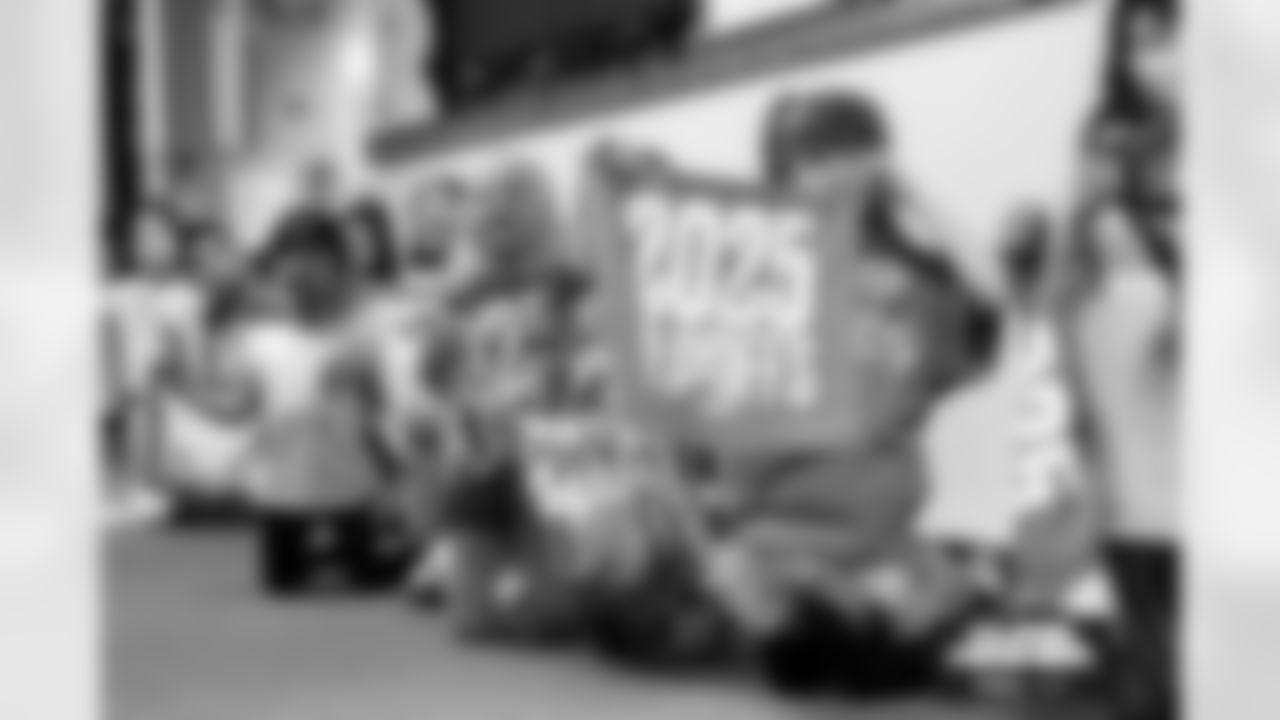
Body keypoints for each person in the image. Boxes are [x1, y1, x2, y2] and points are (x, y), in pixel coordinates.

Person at [702, 90, 1004, 697]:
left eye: (850, 153)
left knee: (874, 680)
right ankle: (839, 599)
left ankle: (936, 591)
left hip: (874, 513)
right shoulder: (754, 270)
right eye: (811, 160)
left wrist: (911, 191)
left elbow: (992, 292)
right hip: (775, 519)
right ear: (782, 172)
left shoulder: (906, 275)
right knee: (795, 670)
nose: (832, 174)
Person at [1060, 1, 1181, 718]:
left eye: (1175, 37)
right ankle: (1148, 680)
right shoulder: (1106, 133)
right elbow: (1075, 254)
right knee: (1134, 524)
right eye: (1145, 41)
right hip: (1123, 340)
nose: (1162, 57)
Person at [189, 213, 400, 595]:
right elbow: (239, 408)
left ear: (338, 269)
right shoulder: (259, 341)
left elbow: (382, 409)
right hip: (283, 491)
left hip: (349, 485)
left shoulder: (361, 335)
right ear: (277, 270)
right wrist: (185, 391)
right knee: (283, 582)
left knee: (366, 576)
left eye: (315, 262)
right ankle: (327, 550)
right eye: (290, 261)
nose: (302, 275)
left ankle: (366, 545)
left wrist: (367, 391)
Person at [102, 207, 205, 525]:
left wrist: (172, 362)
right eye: (141, 237)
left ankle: (154, 486)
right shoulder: (114, 296)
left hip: (174, 395)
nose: (149, 244)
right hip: (127, 395)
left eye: (158, 235)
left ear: (176, 242)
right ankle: (120, 488)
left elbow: (194, 360)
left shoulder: (189, 297)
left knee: (155, 400)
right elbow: (110, 349)